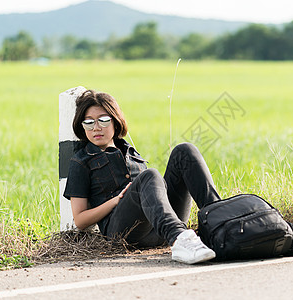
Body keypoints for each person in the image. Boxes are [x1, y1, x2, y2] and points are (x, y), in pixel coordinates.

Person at [63, 89, 221, 264]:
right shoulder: (81, 161)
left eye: (103, 120)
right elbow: (80, 220)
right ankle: (179, 239)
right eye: (89, 123)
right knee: (150, 175)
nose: (96, 128)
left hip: (158, 225)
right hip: (124, 233)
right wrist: (114, 201)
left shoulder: (129, 151)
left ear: (115, 122)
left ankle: (220, 226)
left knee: (184, 151)